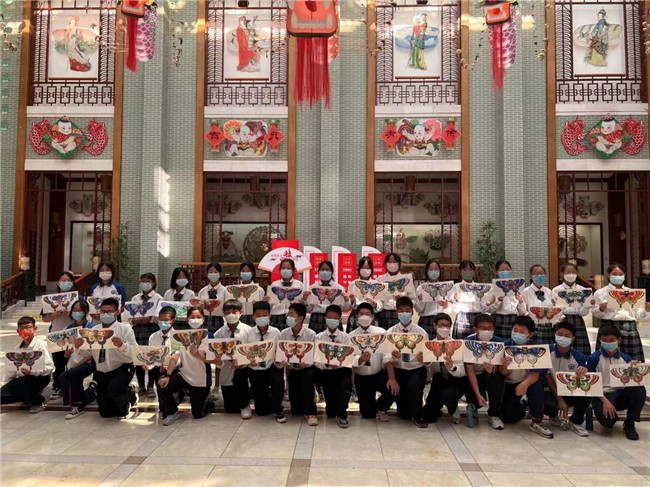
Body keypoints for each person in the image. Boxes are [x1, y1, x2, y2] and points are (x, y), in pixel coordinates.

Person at [74, 297, 137, 418]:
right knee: (105, 412)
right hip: (102, 370)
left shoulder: (125, 330)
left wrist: (122, 345)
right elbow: (87, 352)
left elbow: (134, 353)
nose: (105, 314)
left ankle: (128, 399)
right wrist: (79, 347)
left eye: (109, 312)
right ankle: (122, 394)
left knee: (116, 394)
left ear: (117, 312)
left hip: (122, 367)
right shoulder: (94, 330)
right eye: (103, 311)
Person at [587, 325, 646, 440]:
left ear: (618, 340)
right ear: (600, 340)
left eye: (611, 340)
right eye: (604, 340)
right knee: (607, 422)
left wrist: (636, 367)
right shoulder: (593, 359)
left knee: (639, 389)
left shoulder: (626, 358)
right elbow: (591, 383)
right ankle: (611, 416)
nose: (608, 343)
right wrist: (605, 401)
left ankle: (629, 424)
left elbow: (633, 379)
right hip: (602, 395)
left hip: (621, 394)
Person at [158, 307, 215, 425]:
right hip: (184, 375)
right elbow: (174, 357)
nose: (195, 320)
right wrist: (167, 375)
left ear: (203, 319)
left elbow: (214, 361)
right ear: (187, 319)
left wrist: (199, 356)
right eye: (192, 317)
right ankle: (173, 411)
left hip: (201, 379)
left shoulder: (209, 336)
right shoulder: (179, 335)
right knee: (162, 384)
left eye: (198, 317)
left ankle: (208, 402)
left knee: (197, 414)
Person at [500, 316, 552, 439]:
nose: (517, 333)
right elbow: (502, 373)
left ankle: (537, 421)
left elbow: (535, 375)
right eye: (515, 330)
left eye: (522, 331)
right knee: (509, 418)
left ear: (530, 334)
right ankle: (523, 404)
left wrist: (524, 384)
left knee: (537, 384)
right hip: (508, 384)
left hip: (527, 382)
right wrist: (504, 365)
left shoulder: (536, 349)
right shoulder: (504, 346)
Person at [381, 296, 428, 428]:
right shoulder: (390, 332)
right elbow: (386, 358)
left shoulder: (421, 333)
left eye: (407, 311)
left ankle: (418, 415)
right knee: (404, 414)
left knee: (415, 388)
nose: (404, 314)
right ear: (396, 312)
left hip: (416, 369)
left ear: (412, 312)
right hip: (398, 370)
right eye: (401, 311)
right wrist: (392, 378)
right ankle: (383, 407)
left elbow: (427, 359)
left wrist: (424, 360)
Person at [592, 263, 649, 361]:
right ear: (608, 275)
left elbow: (638, 315)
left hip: (629, 328)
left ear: (624, 275)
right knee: (607, 359)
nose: (617, 276)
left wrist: (646, 310)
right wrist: (601, 308)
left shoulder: (632, 292)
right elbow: (595, 312)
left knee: (632, 361)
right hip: (609, 327)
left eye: (620, 274)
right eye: (614, 274)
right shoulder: (600, 293)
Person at [543, 321, 590, 437]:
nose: (563, 338)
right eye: (560, 334)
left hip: (570, 390)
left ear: (573, 338)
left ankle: (575, 422)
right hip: (550, 391)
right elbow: (547, 376)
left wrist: (584, 371)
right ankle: (553, 416)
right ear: (554, 335)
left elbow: (585, 378)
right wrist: (560, 400)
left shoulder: (578, 356)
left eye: (567, 336)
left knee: (587, 393)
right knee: (548, 404)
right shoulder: (546, 352)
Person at [349, 302, 394, 422]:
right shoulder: (351, 336)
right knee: (367, 413)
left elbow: (387, 357)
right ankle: (371, 406)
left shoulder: (381, 332)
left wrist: (392, 378)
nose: (364, 316)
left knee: (392, 389)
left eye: (368, 314)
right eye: (361, 314)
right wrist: (360, 360)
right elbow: (349, 359)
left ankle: (381, 408)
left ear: (373, 317)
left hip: (378, 374)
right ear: (357, 317)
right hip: (362, 377)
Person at [241, 301, 284, 422]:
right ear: (253, 317)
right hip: (255, 369)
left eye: (264, 315)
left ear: (270, 316)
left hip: (271, 367)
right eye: (258, 315)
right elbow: (243, 353)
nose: (261, 318)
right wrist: (248, 361)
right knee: (261, 411)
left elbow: (280, 352)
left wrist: (279, 359)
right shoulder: (248, 333)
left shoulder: (276, 332)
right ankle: (266, 401)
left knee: (278, 381)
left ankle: (278, 409)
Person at [1, 317, 54, 413]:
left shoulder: (42, 345)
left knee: (25, 381)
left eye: (28, 327)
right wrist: (4, 387)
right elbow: (10, 373)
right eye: (22, 328)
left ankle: (38, 401)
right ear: (18, 331)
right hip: (21, 380)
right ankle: (29, 396)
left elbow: (49, 367)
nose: (25, 330)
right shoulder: (16, 349)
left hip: (40, 378)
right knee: (2, 396)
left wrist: (32, 372)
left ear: (35, 328)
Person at [278, 303, 318, 425]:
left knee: (308, 378)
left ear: (300, 318)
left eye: (291, 314)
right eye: (288, 314)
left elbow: (314, 356)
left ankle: (310, 412)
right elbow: (281, 353)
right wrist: (282, 361)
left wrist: (307, 363)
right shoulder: (284, 333)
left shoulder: (311, 334)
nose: (288, 317)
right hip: (291, 368)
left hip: (307, 368)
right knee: (296, 410)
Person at [421, 313, 466, 424]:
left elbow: (462, 372)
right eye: (441, 325)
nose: (444, 328)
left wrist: (452, 367)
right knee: (429, 416)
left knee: (447, 395)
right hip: (439, 379)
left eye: (447, 326)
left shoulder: (457, 345)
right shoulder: (430, 345)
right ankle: (436, 407)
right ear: (435, 326)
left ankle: (453, 408)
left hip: (456, 379)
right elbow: (431, 370)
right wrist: (426, 362)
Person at [464, 314, 506, 430]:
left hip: (490, 375)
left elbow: (498, 367)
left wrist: (493, 369)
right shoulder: (468, 342)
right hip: (474, 376)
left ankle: (494, 414)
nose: (486, 331)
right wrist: (478, 395)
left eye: (489, 328)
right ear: (475, 329)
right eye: (482, 328)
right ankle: (473, 406)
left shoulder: (498, 342)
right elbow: (470, 370)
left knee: (497, 378)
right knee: (473, 394)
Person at [210, 300, 251, 417]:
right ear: (223, 313)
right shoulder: (219, 334)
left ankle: (245, 405)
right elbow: (215, 356)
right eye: (228, 313)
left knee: (241, 379)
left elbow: (251, 352)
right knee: (230, 409)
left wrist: (242, 362)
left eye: (234, 312)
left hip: (243, 370)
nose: (231, 315)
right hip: (226, 371)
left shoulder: (249, 331)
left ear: (241, 313)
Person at [314, 305, 353, 428]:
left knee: (346, 386)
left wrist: (339, 361)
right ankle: (332, 407)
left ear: (340, 319)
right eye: (329, 317)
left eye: (335, 318)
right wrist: (326, 363)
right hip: (325, 371)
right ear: (325, 318)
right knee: (330, 412)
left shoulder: (346, 337)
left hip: (342, 371)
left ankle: (342, 415)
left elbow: (349, 357)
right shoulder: (319, 337)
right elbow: (315, 360)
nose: (332, 320)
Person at [41, 271, 76, 399]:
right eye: (63, 280)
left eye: (68, 280)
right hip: (56, 333)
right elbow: (44, 318)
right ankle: (58, 386)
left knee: (73, 361)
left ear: (72, 283)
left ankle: (72, 386)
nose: (66, 283)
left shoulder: (77, 299)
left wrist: (71, 314)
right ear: (58, 282)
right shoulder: (50, 299)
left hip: (72, 333)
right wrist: (54, 315)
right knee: (58, 362)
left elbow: (83, 316)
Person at [59, 300, 96, 419]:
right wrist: (67, 354)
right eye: (74, 310)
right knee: (74, 380)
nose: (77, 313)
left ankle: (75, 405)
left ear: (86, 311)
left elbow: (94, 353)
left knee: (64, 376)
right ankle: (87, 397)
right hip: (73, 362)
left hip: (89, 362)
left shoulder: (92, 328)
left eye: (80, 310)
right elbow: (66, 354)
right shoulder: (67, 329)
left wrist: (80, 363)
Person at [130, 273, 163, 398]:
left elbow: (161, 316)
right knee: (139, 357)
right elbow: (129, 316)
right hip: (138, 330)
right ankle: (141, 386)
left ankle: (150, 386)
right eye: (142, 281)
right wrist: (135, 320)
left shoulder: (158, 298)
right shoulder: (135, 298)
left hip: (152, 329)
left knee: (152, 357)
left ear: (153, 283)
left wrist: (150, 319)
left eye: (148, 281)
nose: (145, 283)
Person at [551, 263, 593, 355]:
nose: (571, 275)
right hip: (563, 320)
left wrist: (588, 305)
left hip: (578, 321)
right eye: (568, 272)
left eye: (573, 272)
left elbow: (583, 313)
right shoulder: (556, 290)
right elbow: (556, 311)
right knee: (562, 347)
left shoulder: (582, 290)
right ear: (562, 274)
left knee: (580, 350)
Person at [302, 260, 350, 333]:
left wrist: (346, 300)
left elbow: (345, 309)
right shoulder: (313, 288)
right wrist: (305, 300)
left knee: (335, 339)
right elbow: (308, 310)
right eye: (322, 270)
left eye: (327, 270)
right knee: (316, 339)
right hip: (317, 318)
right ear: (318, 272)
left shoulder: (339, 288)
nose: (325, 272)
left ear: (332, 272)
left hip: (334, 319)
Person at [485, 260, 526, 340]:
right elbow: (489, 310)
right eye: (502, 270)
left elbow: (522, 312)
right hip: (498, 320)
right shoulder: (492, 288)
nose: (505, 272)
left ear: (511, 270)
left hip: (514, 319)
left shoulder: (517, 287)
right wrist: (499, 301)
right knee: (499, 343)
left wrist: (521, 301)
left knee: (513, 344)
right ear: (497, 272)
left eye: (507, 269)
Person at [449, 260, 488, 339]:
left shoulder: (479, 287)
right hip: (462, 318)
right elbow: (452, 308)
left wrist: (488, 303)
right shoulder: (456, 287)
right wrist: (456, 301)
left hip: (478, 317)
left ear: (474, 272)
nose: (468, 272)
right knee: (462, 344)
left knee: (477, 342)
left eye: (470, 269)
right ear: (460, 272)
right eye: (465, 269)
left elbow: (483, 307)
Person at [376, 253, 416, 330]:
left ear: (399, 264)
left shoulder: (406, 279)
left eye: (394, 262)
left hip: (402, 313)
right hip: (385, 314)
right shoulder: (380, 280)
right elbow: (378, 301)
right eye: (389, 262)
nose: (392, 264)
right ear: (385, 264)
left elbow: (414, 301)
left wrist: (403, 299)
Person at [414, 259, 450, 338]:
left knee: (443, 344)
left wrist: (446, 305)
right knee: (425, 343)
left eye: (436, 269)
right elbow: (419, 310)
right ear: (427, 271)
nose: (434, 272)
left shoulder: (445, 287)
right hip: (426, 320)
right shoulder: (421, 288)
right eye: (431, 269)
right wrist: (421, 301)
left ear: (440, 271)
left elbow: (450, 308)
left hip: (442, 320)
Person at [347, 257, 383, 332]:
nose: (365, 270)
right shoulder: (353, 284)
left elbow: (381, 304)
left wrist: (375, 304)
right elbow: (348, 305)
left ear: (372, 270)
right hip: (356, 316)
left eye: (368, 268)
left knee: (372, 337)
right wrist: (352, 300)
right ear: (359, 269)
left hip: (370, 316)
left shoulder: (377, 284)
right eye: (363, 267)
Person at [522, 264, 555, 344]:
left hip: (547, 326)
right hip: (532, 325)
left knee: (548, 349)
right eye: (535, 273)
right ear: (531, 276)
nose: (539, 276)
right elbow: (522, 309)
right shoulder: (525, 291)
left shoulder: (549, 291)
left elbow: (553, 308)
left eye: (541, 273)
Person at [269, 258, 303, 330]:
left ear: (293, 271)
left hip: (292, 317)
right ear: (280, 270)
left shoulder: (299, 285)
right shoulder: (274, 284)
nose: (285, 270)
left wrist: (304, 301)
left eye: (288, 268)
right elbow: (270, 303)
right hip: (276, 316)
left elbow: (303, 303)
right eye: (283, 268)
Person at [198, 262, 226, 333]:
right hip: (205, 321)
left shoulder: (225, 291)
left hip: (220, 321)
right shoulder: (202, 291)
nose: (213, 274)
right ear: (207, 274)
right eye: (210, 272)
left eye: (215, 272)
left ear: (220, 274)